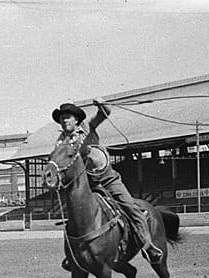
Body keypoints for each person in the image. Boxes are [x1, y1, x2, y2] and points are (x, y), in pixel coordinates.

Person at [52, 99, 164, 267]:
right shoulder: (61, 142)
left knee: (131, 207)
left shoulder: (88, 127)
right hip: (87, 184)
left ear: (76, 120)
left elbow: (105, 113)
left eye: (68, 117)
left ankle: (148, 246)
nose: (64, 121)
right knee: (75, 215)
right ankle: (72, 255)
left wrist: (102, 104)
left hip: (108, 179)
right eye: (62, 118)